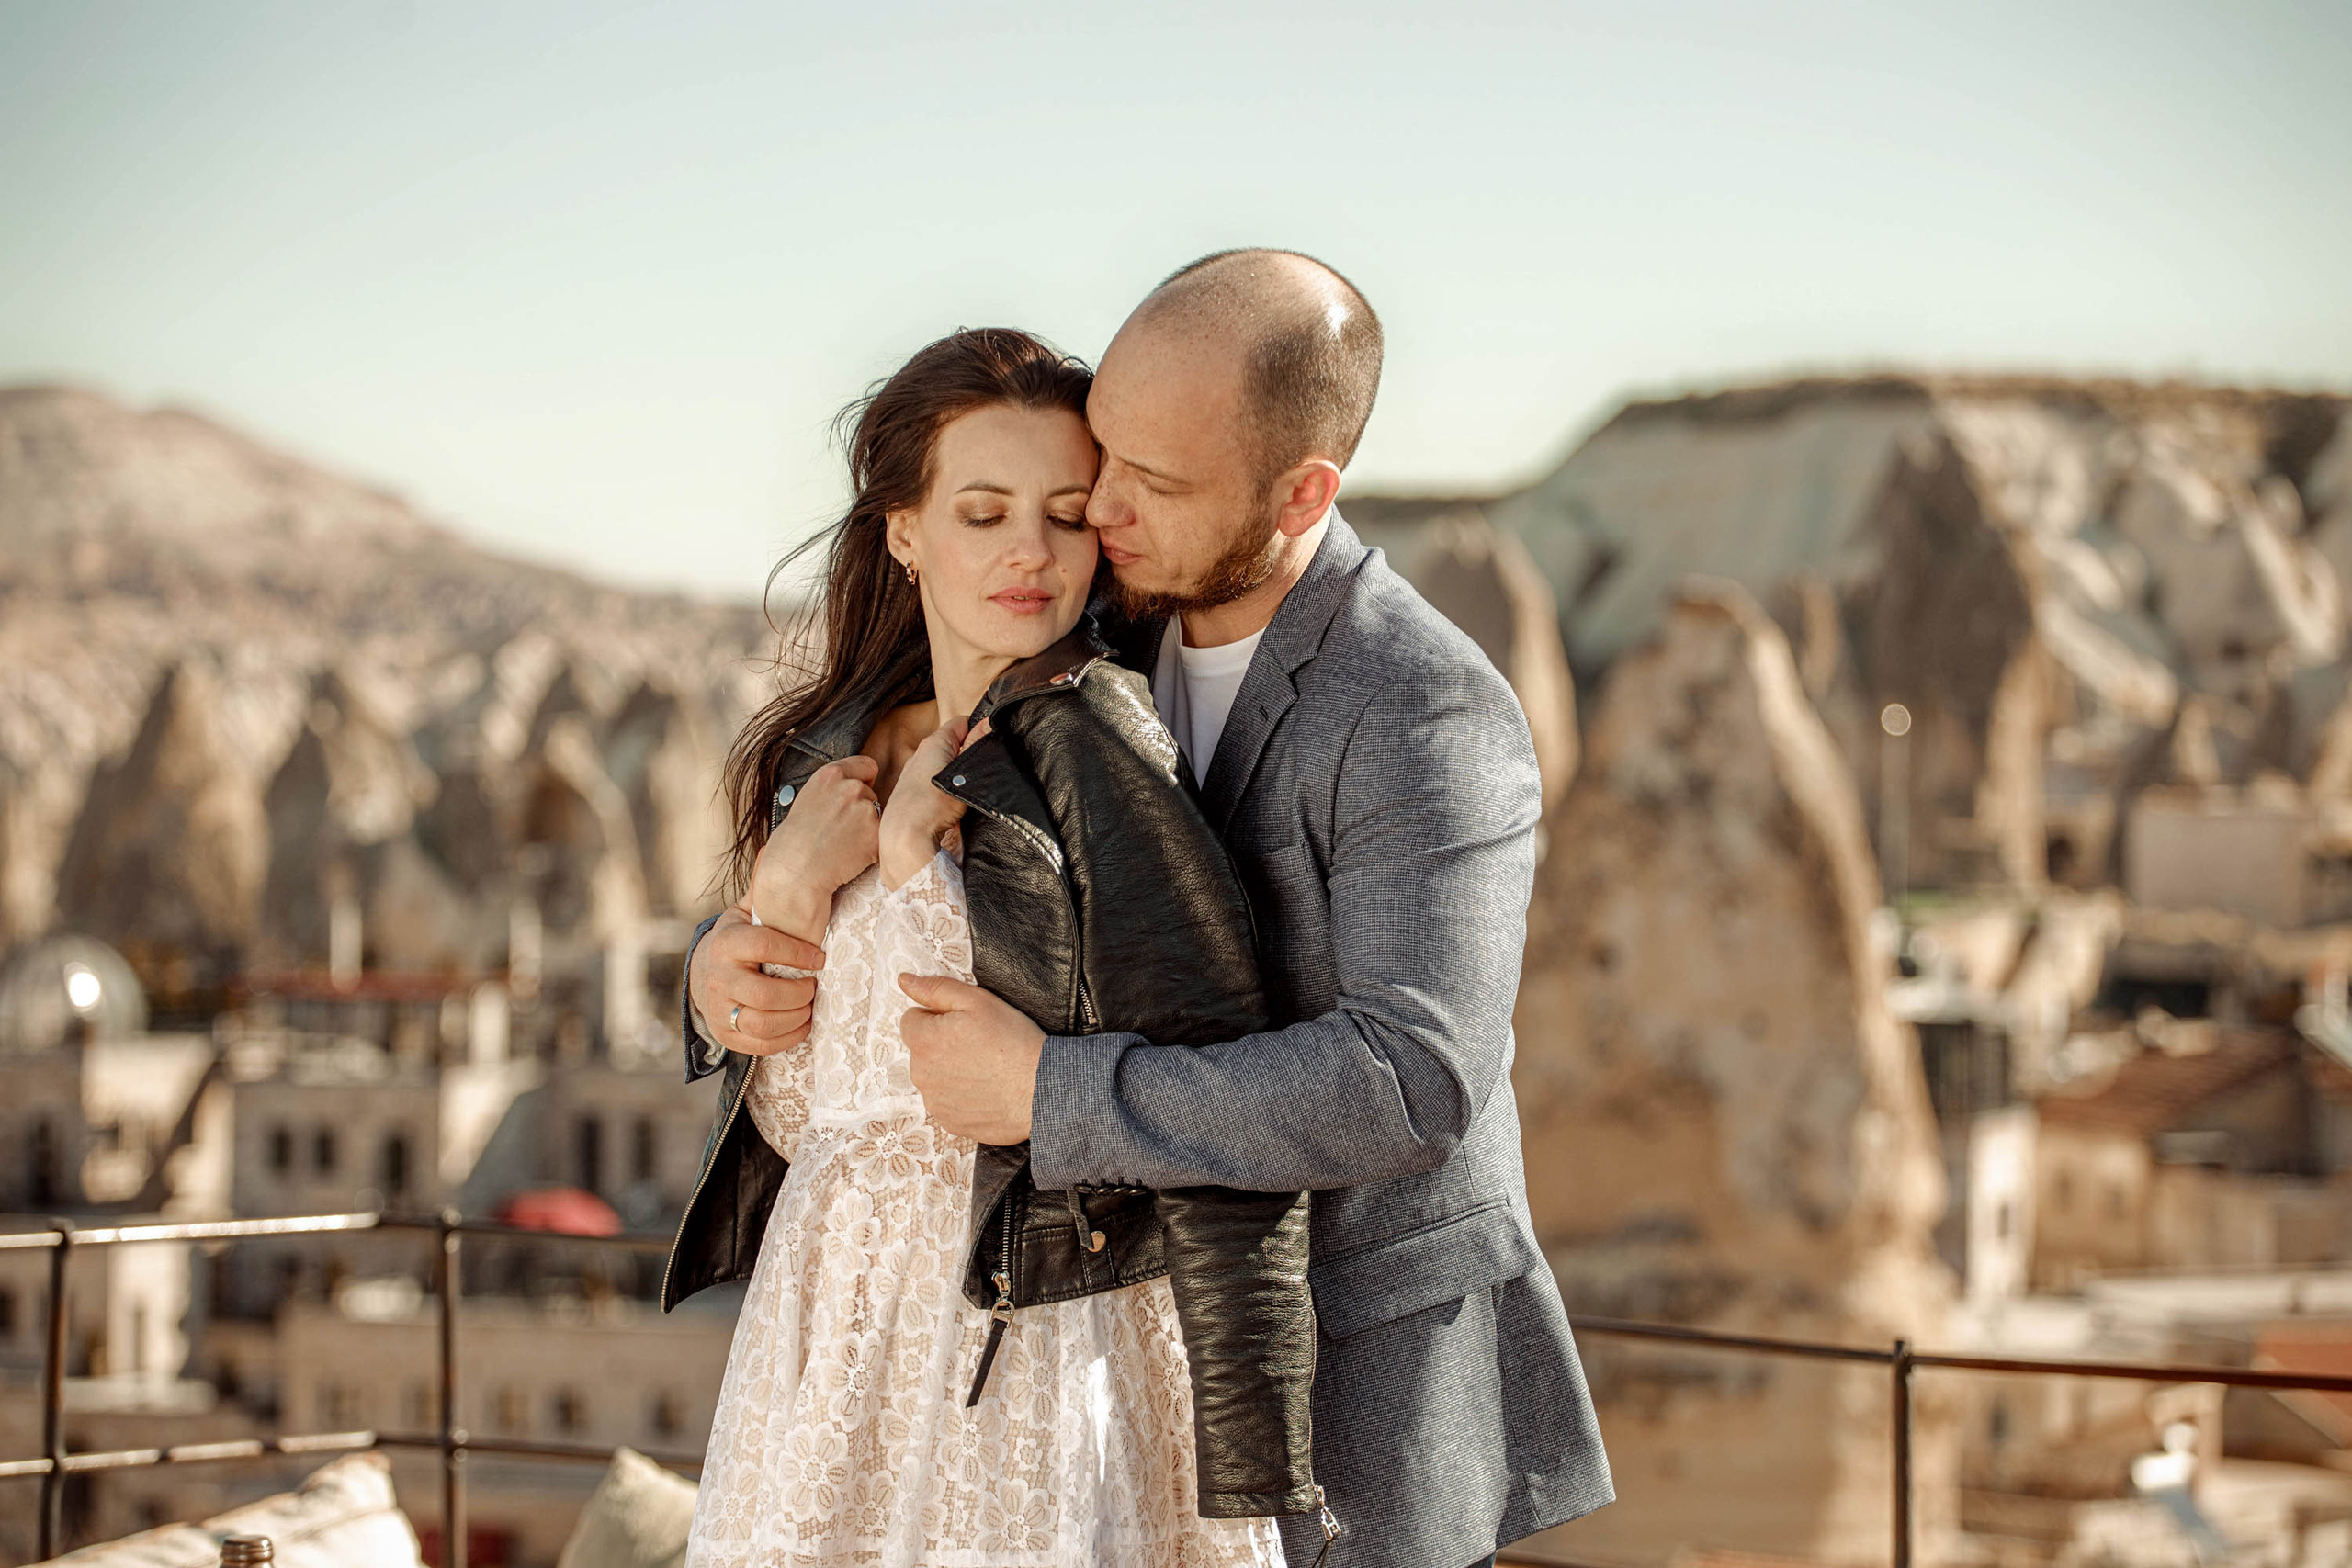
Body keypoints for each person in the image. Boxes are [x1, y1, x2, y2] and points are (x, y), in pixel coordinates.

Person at [694, 251, 1612, 1568]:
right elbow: (876, 857)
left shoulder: (1422, 708)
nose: (1102, 511)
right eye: (1105, 460)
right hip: (1067, 1357)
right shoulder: (1099, 612)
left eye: (1151, 484)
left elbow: (1412, 1080)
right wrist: (726, 953)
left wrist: (1048, 1093)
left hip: (1345, 1362)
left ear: (1301, 495)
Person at [666, 326, 1316, 1566]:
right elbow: (808, 1106)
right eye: (983, 512)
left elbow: (1210, 1075)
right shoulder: (824, 752)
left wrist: (914, 864)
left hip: (1023, 1326)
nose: (1031, 550)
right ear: (904, 530)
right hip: (831, 1320)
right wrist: (773, 906)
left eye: (1067, 515)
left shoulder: (1102, 749)